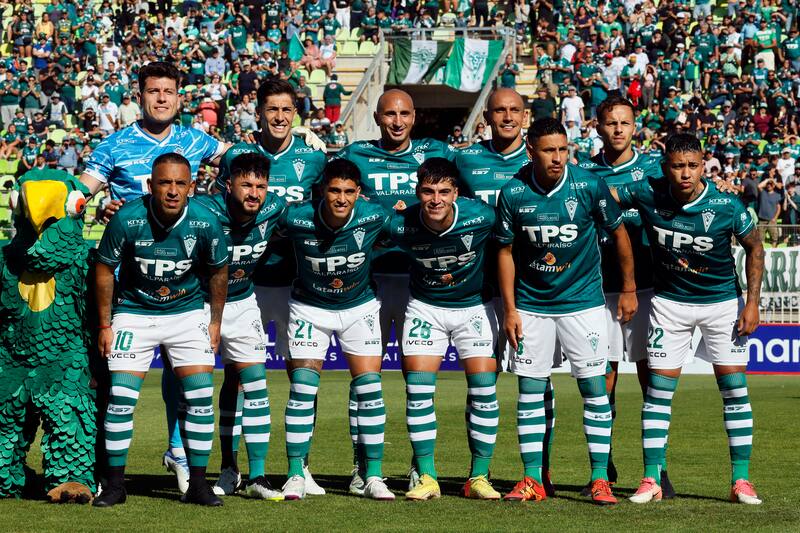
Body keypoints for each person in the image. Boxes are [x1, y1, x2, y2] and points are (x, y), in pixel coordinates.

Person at [80, 61, 229, 495]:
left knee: (188, 384)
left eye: (169, 91)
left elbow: (242, 166)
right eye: (153, 91)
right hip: (129, 287)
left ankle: (181, 453)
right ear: (139, 96)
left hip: (184, 281)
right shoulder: (114, 145)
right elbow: (79, 192)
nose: (161, 98)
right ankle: (104, 473)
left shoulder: (197, 140)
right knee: (113, 387)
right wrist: (94, 206)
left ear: (179, 96)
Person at [609, 134, 765, 506]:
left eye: (693, 166)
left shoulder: (726, 204)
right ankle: (651, 478)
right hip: (669, 305)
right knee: (658, 396)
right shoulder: (648, 191)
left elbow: (755, 247)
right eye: (678, 166)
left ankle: (740, 480)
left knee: (734, 392)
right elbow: (601, 195)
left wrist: (752, 303)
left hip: (722, 305)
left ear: (703, 165)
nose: (685, 174)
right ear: (666, 167)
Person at [495, 117, 636, 505]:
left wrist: (627, 288)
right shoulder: (513, 192)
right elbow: (504, 251)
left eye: (562, 149)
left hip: (584, 305)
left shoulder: (589, 185)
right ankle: (531, 479)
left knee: (594, 390)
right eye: (548, 150)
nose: (557, 158)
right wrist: (510, 310)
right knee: (529, 392)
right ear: (531, 151)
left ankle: (598, 478)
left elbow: (620, 234)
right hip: (532, 307)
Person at [333, 88, 456, 494]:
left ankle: (419, 467)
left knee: (416, 379)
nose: (397, 122)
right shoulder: (356, 155)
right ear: (378, 117)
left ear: (415, 116)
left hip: (419, 280)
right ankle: (360, 465)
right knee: (365, 379)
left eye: (404, 114)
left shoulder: (436, 152)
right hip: (367, 278)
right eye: (389, 115)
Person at [211, 78, 327, 498]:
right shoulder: (239, 156)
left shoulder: (313, 158)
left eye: (287, 110)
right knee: (238, 376)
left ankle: (301, 467)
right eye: (272, 109)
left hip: (296, 281)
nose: (279, 117)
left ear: (296, 114)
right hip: (245, 284)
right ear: (258, 112)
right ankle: (230, 467)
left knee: (304, 375)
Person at [279, 159, 394, 501]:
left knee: (370, 390)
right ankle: (296, 473)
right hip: (309, 308)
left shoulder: (375, 216)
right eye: (334, 191)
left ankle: (371, 476)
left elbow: (413, 229)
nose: (341, 199)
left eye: (348, 192)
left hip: (360, 307)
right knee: (302, 390)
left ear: (358, 192)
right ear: (322, 191)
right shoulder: (295, 217)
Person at [389, 158, 501, 501]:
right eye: (427, 192)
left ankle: (479, 477)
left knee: (484, 390)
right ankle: (427, 477)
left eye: (443, 192)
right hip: (426, 308)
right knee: (419, 391)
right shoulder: (398, 224)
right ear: (417, 193)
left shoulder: (482, 217)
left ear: (455, 193)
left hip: (475, 307)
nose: (435, 199)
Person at [578, 95, 673, 496]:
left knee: (652, 378)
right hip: (599, 290)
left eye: (625, 123)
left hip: (650, 287)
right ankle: (604, 466)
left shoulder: (655, 169)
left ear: (635, 127)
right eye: (610, 123)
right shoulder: (582, 171)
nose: (618, 129)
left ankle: (658, 468)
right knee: (604, 378)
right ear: (597, 127)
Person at [195, 152, 286, 500]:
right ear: (227, 184)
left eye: (260, 185)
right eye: (246, 184)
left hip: (244, 302)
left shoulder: (275, 208)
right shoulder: (203, 210)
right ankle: (224, 469)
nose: (254, 193)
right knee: (199, 389)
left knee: (255, 384)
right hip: (199, 306)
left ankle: (258, 476)